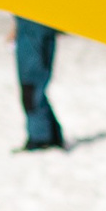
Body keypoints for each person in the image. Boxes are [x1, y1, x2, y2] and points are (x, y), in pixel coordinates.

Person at [13, 16, 63, 150]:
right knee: (34, 89)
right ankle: (50, 135)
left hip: (33, 31)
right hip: (31, 28)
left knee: (31, 89)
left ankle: (41, 139)